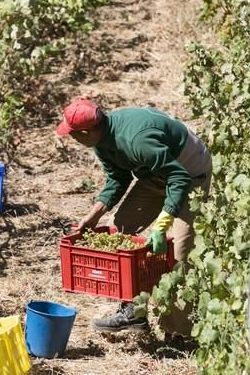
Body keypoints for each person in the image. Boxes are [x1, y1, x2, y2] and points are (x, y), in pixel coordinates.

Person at [56, 99, 212, 335]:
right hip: (155, 175)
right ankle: (133, 313)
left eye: (72, 134)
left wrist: (162, 225)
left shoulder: (137, 141)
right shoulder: (102, 141)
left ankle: (177, 334)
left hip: (190, 176)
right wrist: (94, 215)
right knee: (119, 231)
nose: (71, 138)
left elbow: (178, 179)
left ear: (86, 132)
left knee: (175, 256)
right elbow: (118, 178)